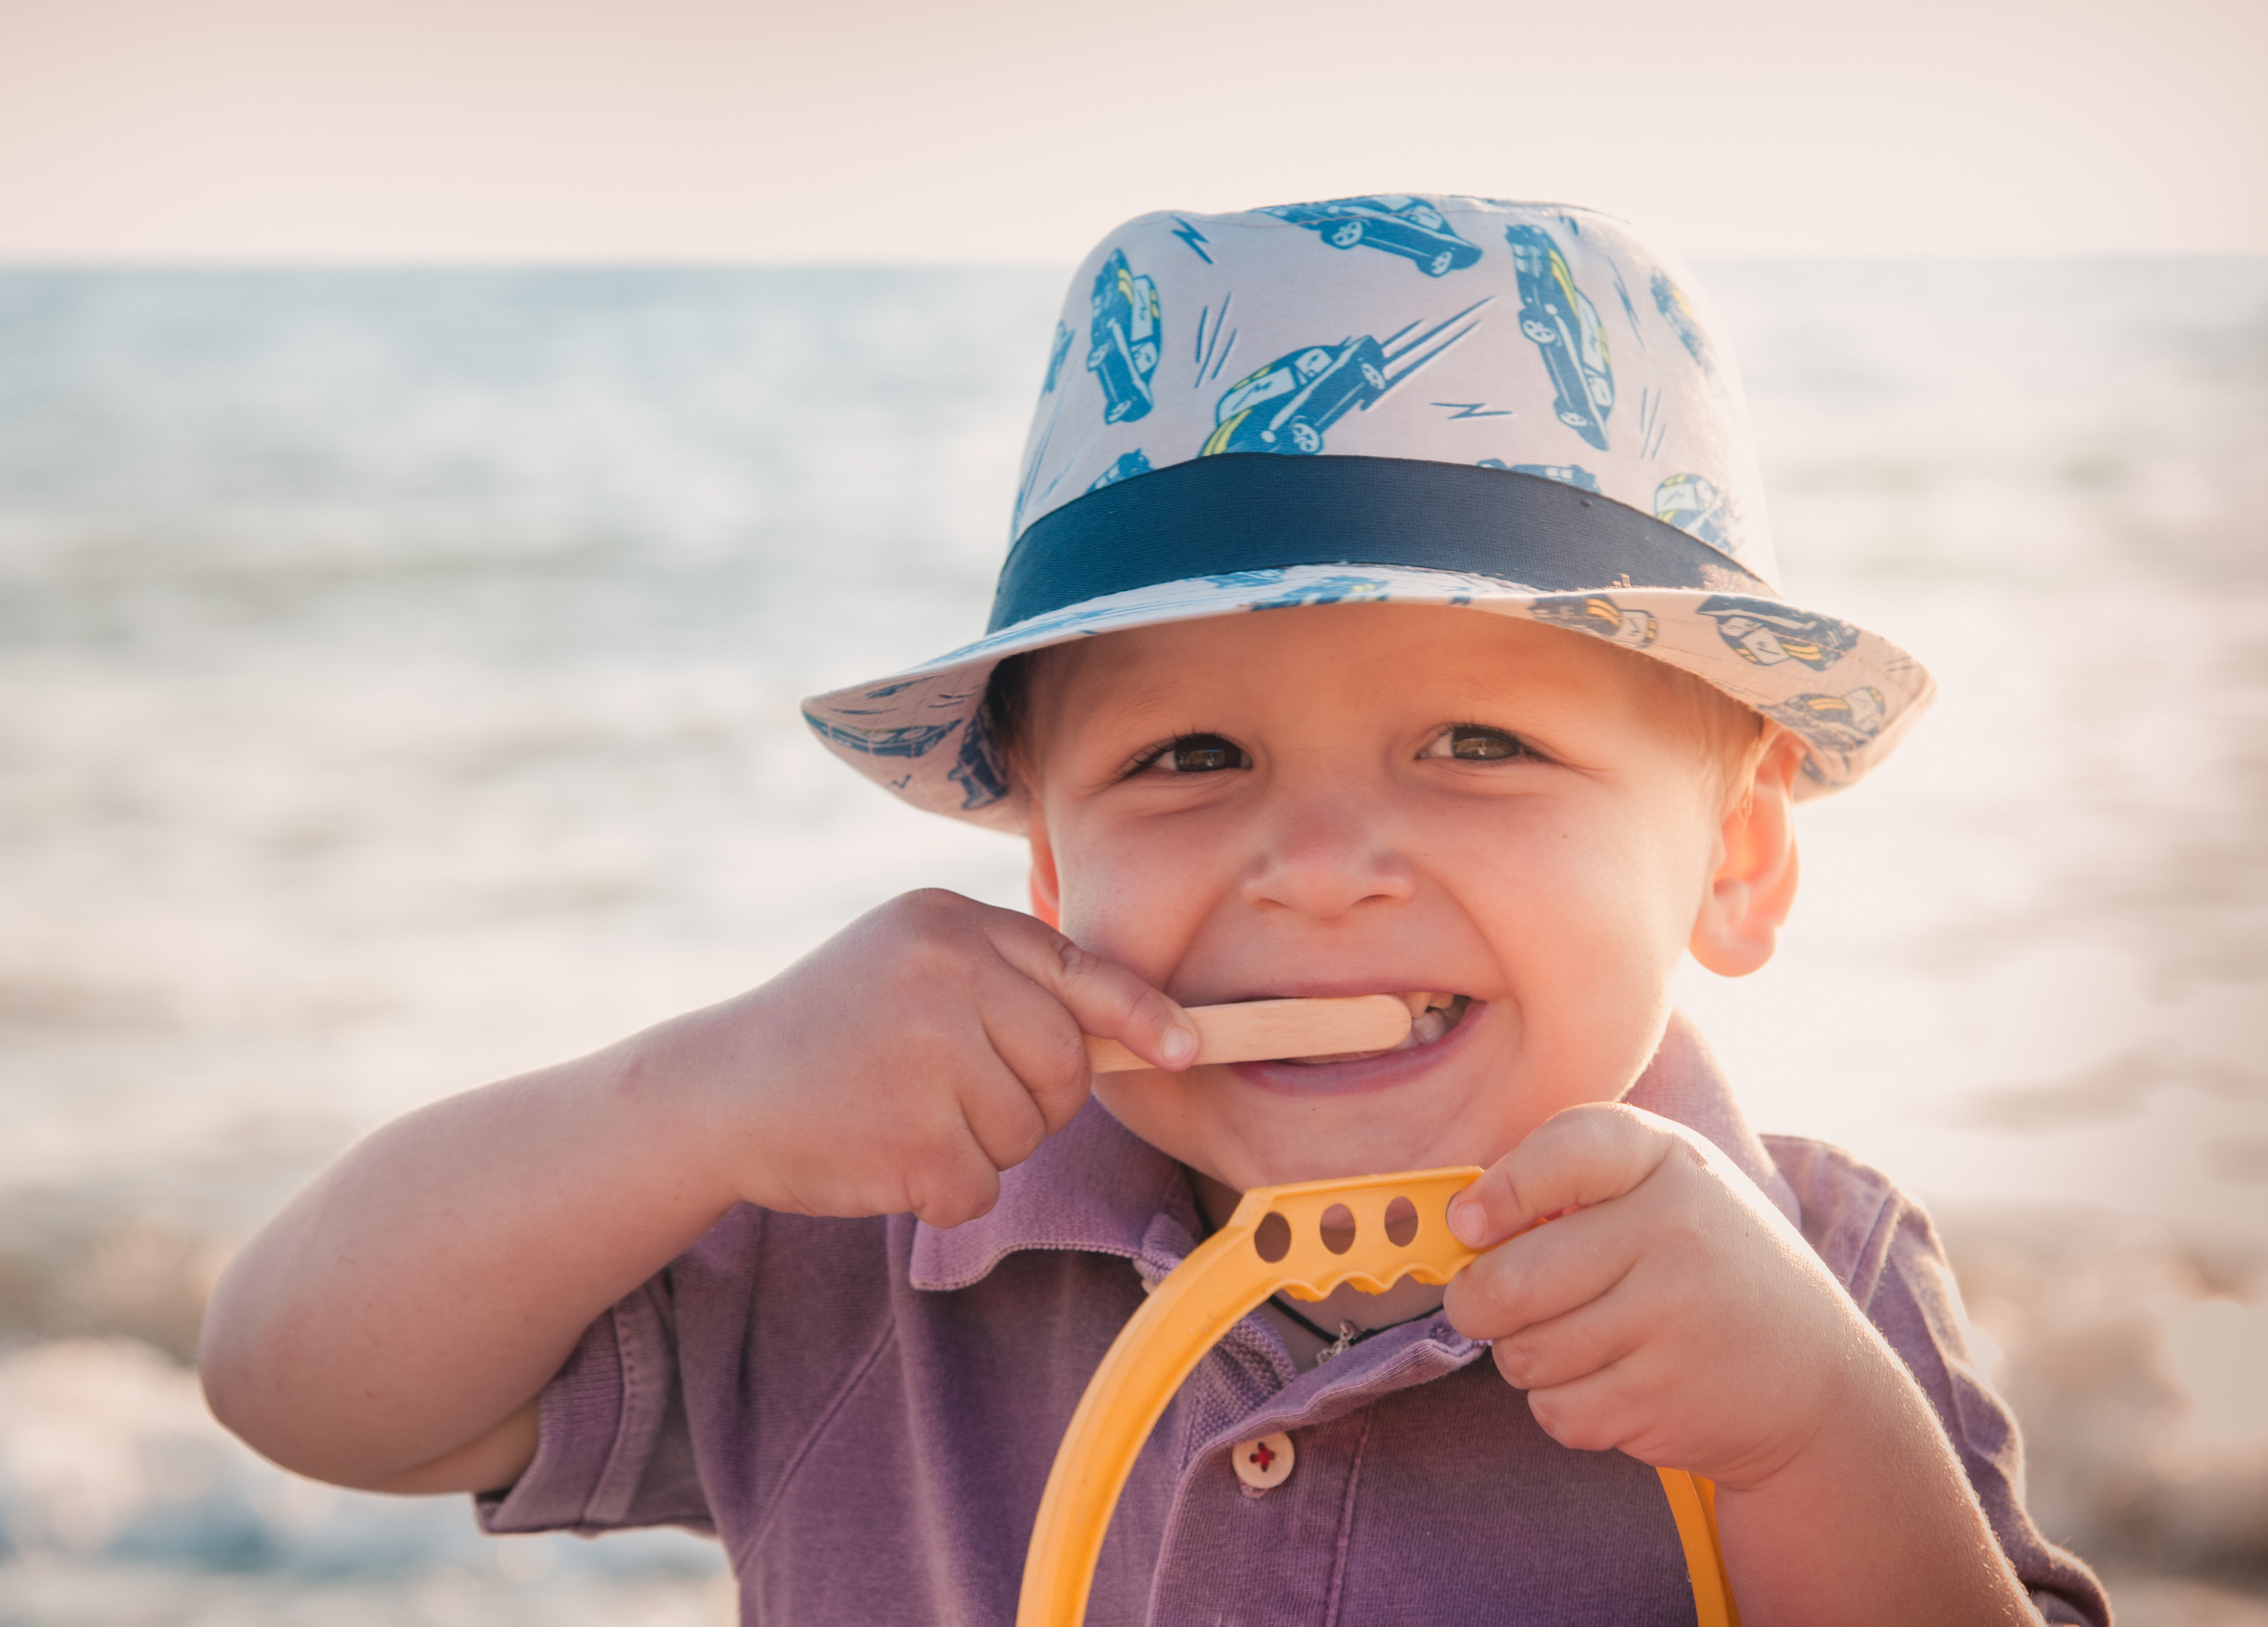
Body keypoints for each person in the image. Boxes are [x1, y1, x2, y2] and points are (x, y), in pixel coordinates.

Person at [200, 197, 2109, 1624]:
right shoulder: (881, 1250)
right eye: (1189, 761)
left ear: (1733, 863)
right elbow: (298, 1380)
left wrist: (1805, 1446)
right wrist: (698, 1096)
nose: (1317, 863)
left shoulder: (1813, 1292)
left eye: (1474, 743)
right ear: (1047, 874)